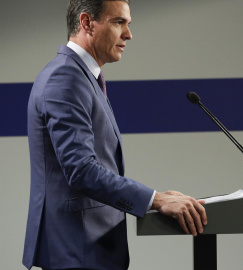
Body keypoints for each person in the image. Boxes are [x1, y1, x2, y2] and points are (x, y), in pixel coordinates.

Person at [23, 1, 207, 269]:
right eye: (118, 22)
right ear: (87, 23)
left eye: (127, 24)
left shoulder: (83, 76)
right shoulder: (66, 77)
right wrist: (154, 199)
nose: (128, 34)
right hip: (76, 251)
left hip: (88, 250)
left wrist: (157, 197)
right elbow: (82, 170)